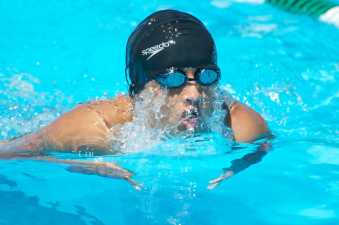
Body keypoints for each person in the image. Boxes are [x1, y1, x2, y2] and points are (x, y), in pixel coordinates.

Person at [0, 10, 271, 189]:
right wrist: (79, 163)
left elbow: (266, 144)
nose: (194, 94)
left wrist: (239, 165)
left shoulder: (238, 124)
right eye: (173, 80)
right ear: (142, 88)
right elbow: (8, 152)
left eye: (205, 77)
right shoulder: (96, 129)